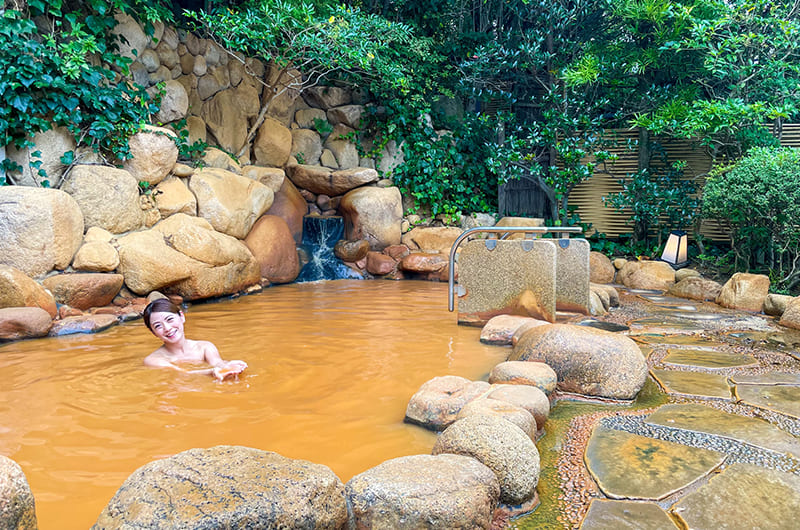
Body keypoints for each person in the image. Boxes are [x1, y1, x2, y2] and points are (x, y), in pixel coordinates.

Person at [142, 298, 247, 381]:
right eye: (158, 326)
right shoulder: (153, 360)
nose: (167, 328)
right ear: (153, 332)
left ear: (181, 317)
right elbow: (183, 373)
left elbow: (216, 362)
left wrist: (228, 366)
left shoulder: (204, 347)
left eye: (170, 319)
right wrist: (212, 372)